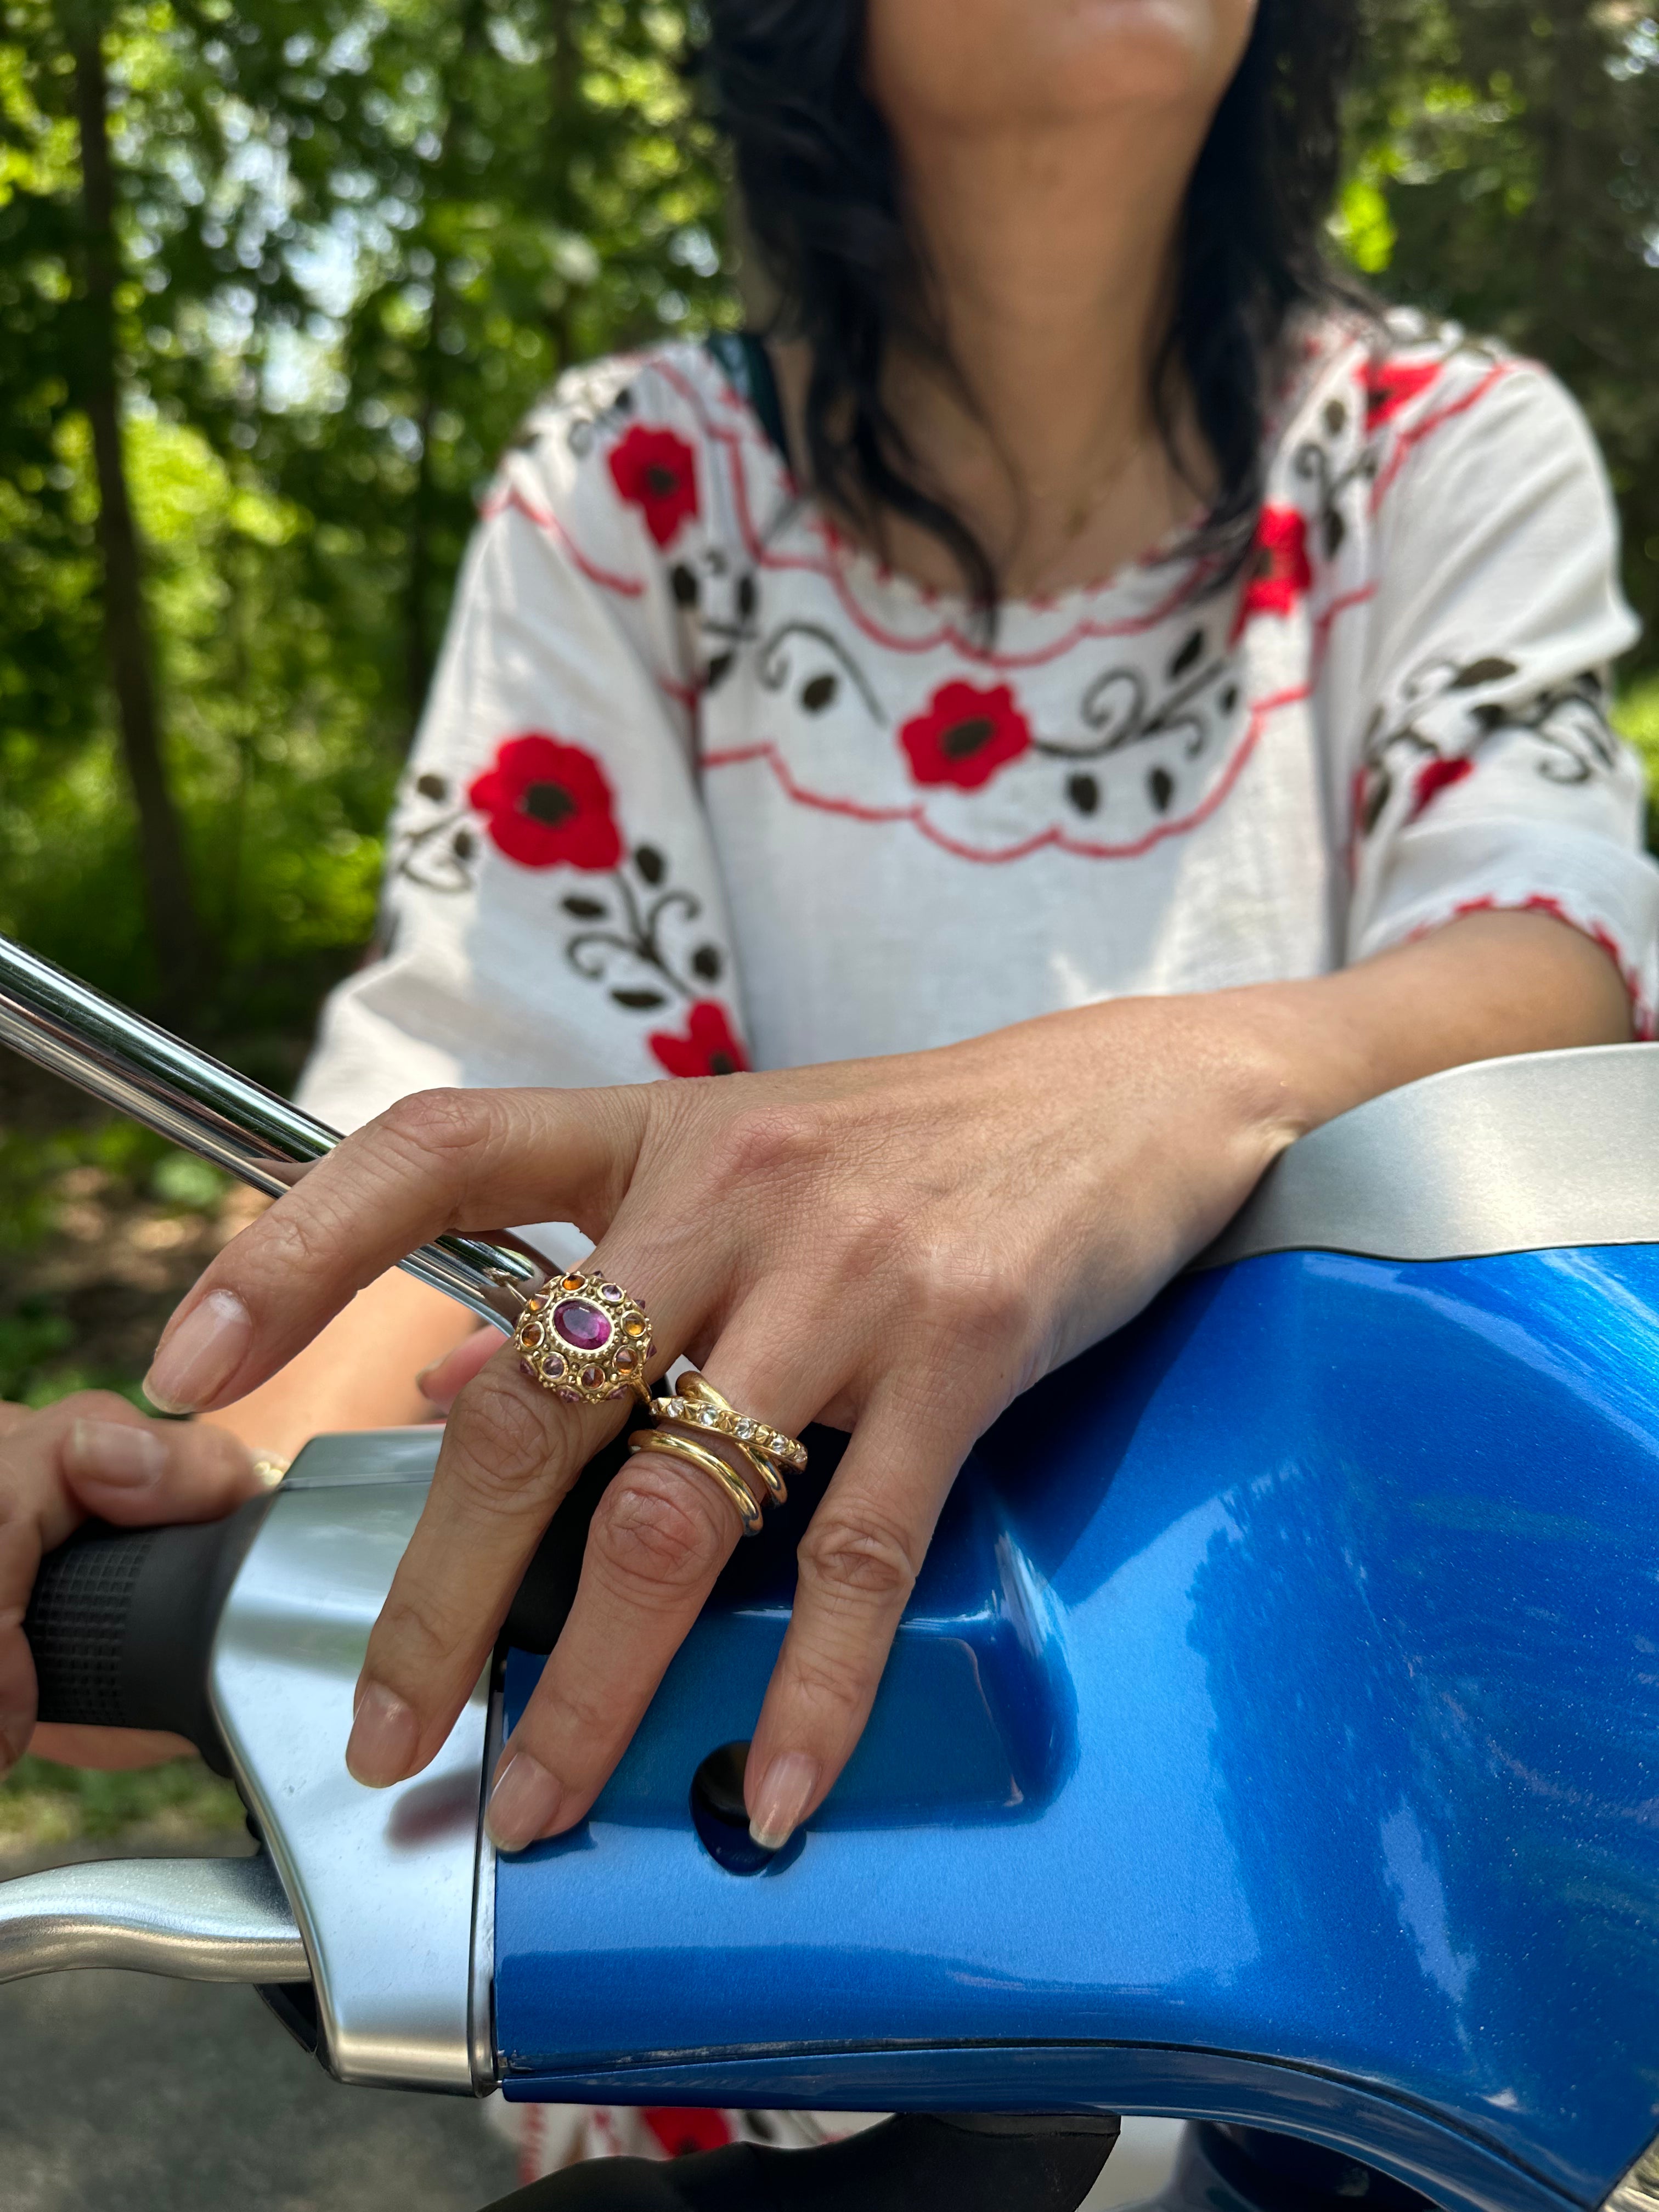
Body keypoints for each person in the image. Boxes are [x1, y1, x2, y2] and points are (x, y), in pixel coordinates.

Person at [3, 0, 1656, 2188]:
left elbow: (1550, 982)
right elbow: (467, 1176)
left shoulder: (1446, 449)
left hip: (1406, 1971)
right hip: (736, 2013)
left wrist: (1139, 1089)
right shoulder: (628, 491)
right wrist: (178, 1492)